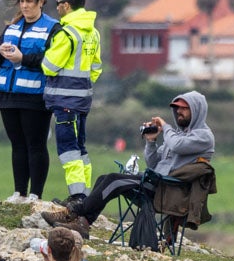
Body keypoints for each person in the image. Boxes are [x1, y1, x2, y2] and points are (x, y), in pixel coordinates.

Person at [45, 92, 214, 236]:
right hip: (157, 185)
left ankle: (73, 212)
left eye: (184, 108)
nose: (178, 112)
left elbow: (177, 145)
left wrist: (165, 126)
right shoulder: (176, 134)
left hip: (170, 192)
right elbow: (154, 163)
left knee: (114, 179)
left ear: (197, 110)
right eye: (176, 108)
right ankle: (83, 223)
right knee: (105, 178)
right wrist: (151, 142)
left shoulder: (203, 136)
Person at [0, 0, 58, 202]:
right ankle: (19, 192)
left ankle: (35, 194)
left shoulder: (52, 27)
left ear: (41, 2)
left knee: (35, 145)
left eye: (29, 1)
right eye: (22, 1)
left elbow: (52, 61)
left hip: (35, 97)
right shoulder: (12, 27)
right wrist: (0, 51)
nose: (25, 6)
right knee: (17, 144)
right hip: (8, 96)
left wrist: (23, 58)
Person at [41, 0, 102, 200]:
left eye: (58, 3)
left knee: (68, 150)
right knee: (80, 148)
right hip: (83, 100)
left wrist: (46, 49)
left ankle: (77, 196)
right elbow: (96, 67)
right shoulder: (93, 33)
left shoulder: (66, 33)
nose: (56, 7)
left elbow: (49, 65)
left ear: (66, 5)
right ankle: (83, 195)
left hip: (64, 101)